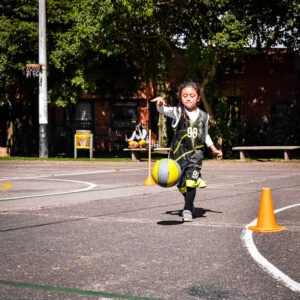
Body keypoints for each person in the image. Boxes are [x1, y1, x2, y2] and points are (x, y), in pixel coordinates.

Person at [151, 81, 222, 222]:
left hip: (196, 155)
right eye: (185, 96)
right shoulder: (178, 112)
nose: (188, 98)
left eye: (191, 95)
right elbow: (164, 110)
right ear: (180, 97)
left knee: (191, 181)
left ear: (198, 98)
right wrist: (160, 105)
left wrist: (213, 149)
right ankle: (190, 202)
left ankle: (188, 208)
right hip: (178, 154)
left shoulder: (204, 116)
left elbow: (205, 134)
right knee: (181, 184)